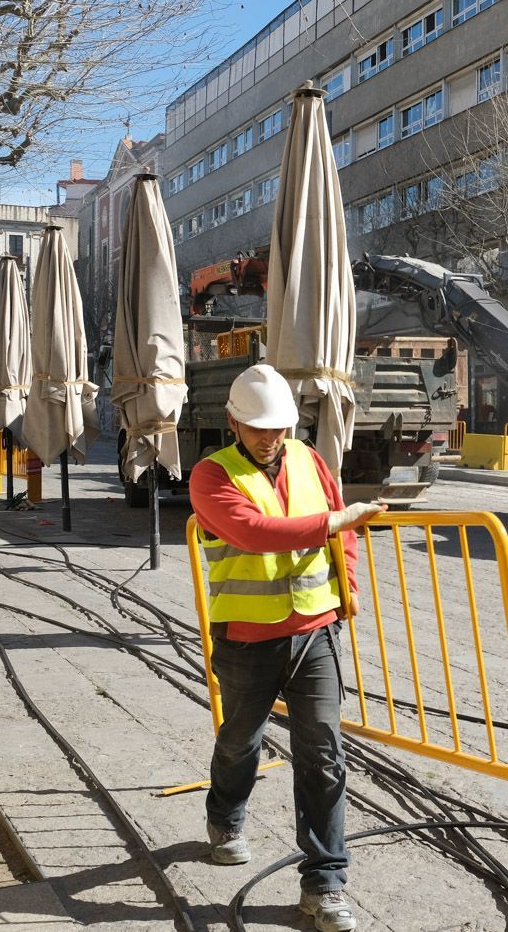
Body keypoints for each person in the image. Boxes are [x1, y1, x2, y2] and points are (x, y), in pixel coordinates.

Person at [190, 363, 385, 932]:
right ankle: (225, 815)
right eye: (258, 428)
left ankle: (324, 883)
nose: (271, 438)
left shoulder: (309, 460)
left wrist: (346, 582)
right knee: (239, 743)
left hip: (314, 633)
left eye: (279, 427)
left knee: (323, 754)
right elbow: (253, 531)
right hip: (247, 640)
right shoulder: (211, 475)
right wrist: (334, 522)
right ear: (233, 422)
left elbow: (342, 530)